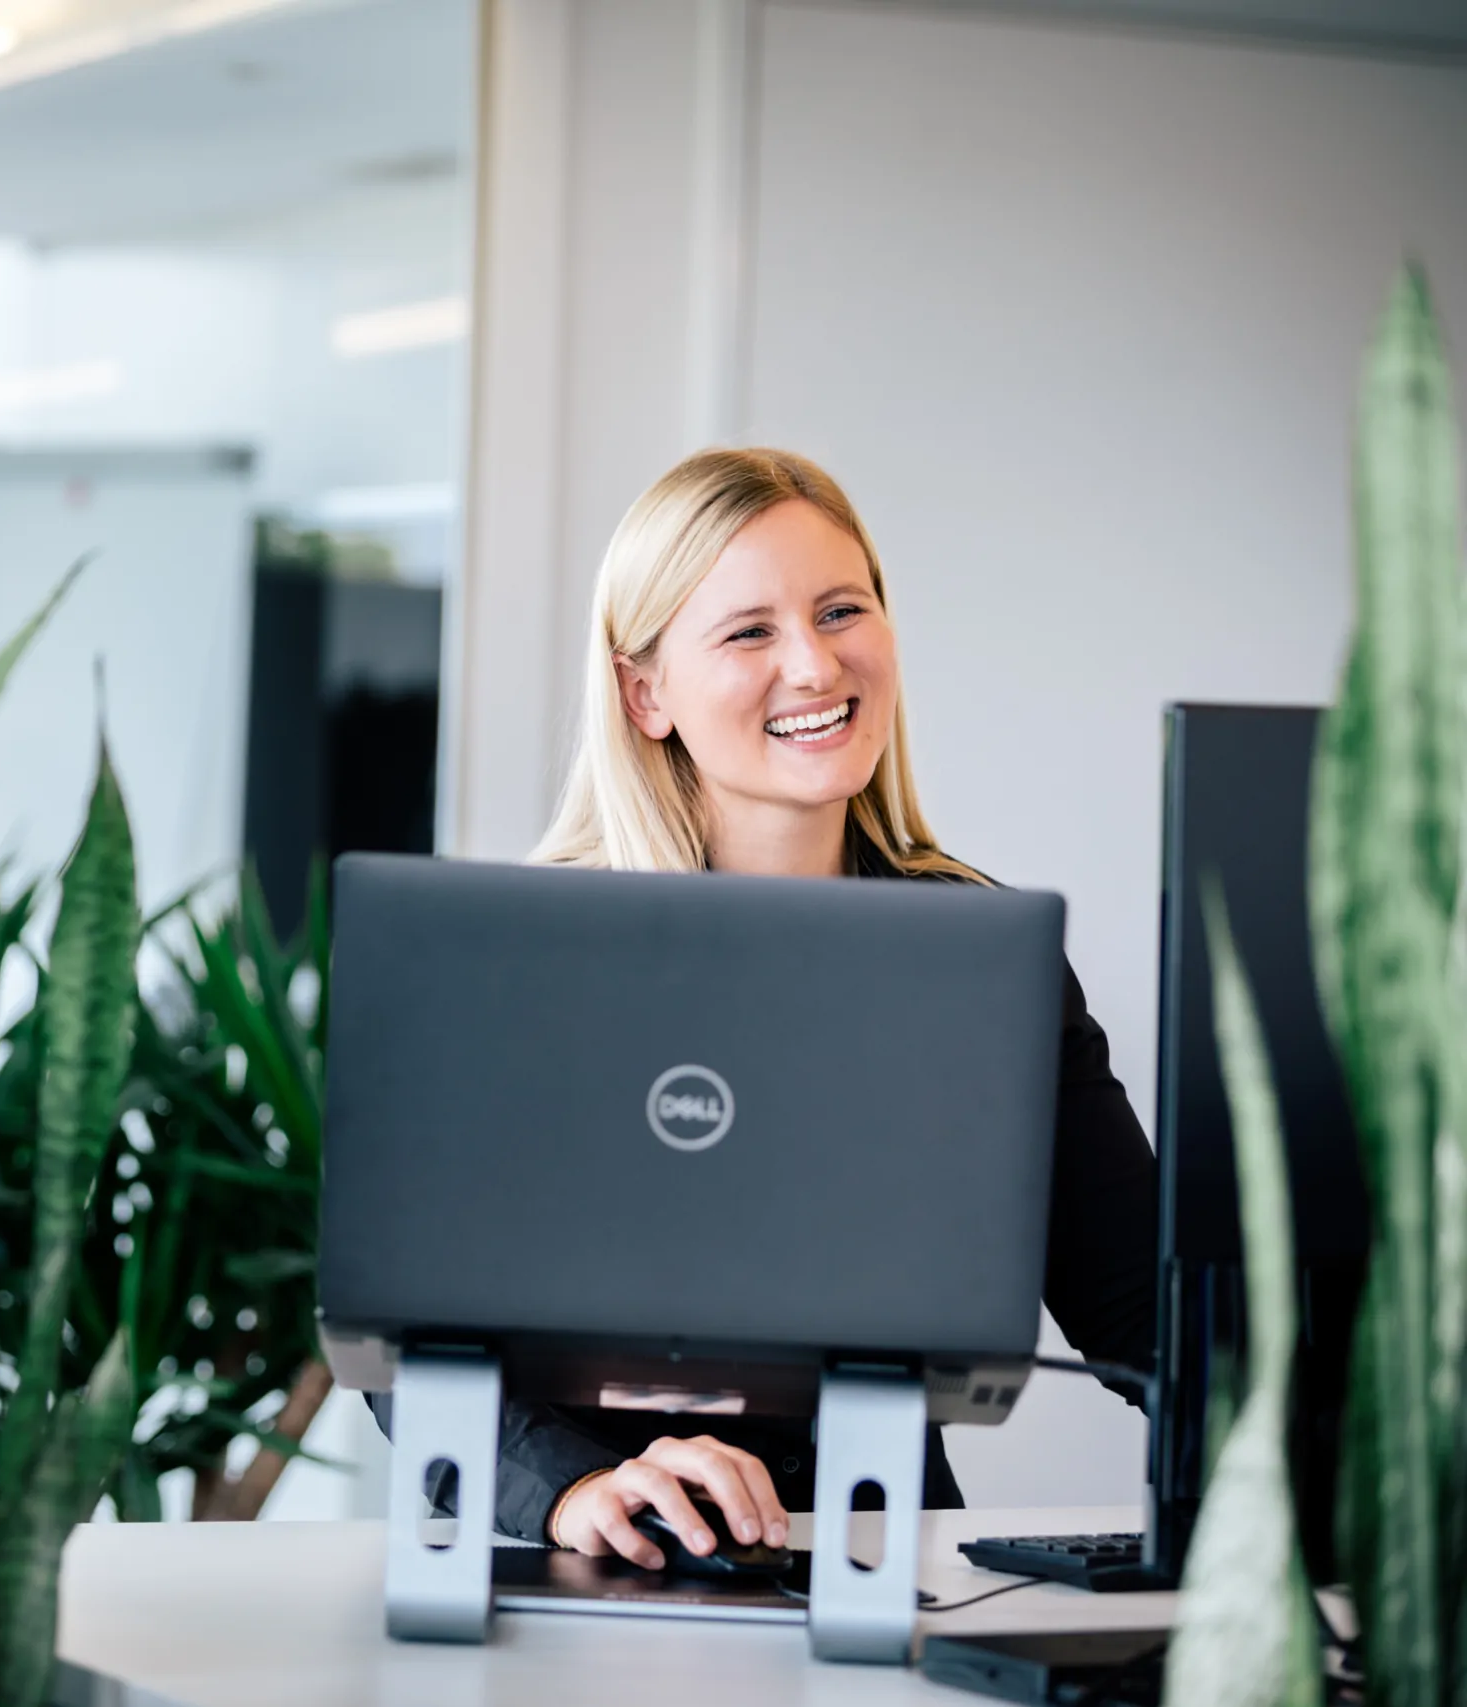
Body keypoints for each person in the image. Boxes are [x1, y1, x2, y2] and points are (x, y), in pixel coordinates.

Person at [495, 446, 1158, 1569]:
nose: (812, 663)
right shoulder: (525, 960)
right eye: (748, 631)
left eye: (840, 609)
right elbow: (400, 1339)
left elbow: (1144, 1310)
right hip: (611, 1569)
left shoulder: (982, 957)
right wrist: (573, 1487)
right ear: (644, 691)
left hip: (886, 1565)